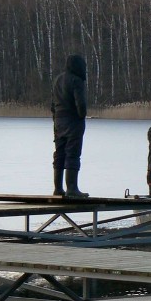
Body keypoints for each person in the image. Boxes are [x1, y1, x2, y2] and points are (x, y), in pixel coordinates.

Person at [51, 54, 89, 197]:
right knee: (73, 153)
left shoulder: (57, 80)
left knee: (59, 154)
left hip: (58, 121)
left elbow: (52, 104)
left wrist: (55, 118)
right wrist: (82, 114)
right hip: (73, 121)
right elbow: (81, 104)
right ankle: (72, 188)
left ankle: (58, 189)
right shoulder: (77, 80)